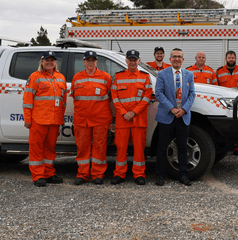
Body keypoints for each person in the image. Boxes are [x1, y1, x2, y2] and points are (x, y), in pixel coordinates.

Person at [23, 51, 67, 187]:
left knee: (50, 149)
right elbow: (27, 101)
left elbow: (63, 102)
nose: (49, 62)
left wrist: (60, 118)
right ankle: (38, 176)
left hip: (54, 121)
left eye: (52, 60)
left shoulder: (61, 78)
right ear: (42, 62)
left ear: (55, 63)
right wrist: (28, 119)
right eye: (47, 60)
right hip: (39, 120)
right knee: (36, 149)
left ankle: (48, 174)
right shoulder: (35, 77)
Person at [111, 49, 153, 185]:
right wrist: (124, 113)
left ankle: (139, 174)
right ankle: (119, 174)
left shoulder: (145, 77)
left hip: (138, 119)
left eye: (135, 60)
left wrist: (133, 112)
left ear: (139, 61)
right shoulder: (118, 77)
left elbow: (147, 98)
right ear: (126, 61)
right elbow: (115, 98)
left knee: (139, 149)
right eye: (130, 60)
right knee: (121, 148)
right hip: (122, 119)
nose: (133, 62)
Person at [71, 51, 113, 185]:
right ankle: (82, 174)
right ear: (84, 62)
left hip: (101, 119)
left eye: (93, 61)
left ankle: (97, 174)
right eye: (88, 60)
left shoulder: (105, 77)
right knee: (82, 148)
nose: (90, 63)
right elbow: (74, 96)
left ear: (96, 62)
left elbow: (111, 97)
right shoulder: (77, 77)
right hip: (81, 120)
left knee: (99, 148)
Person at [155, 48, 195, 186]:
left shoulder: (189, 75)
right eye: (174, 56)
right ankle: (160, 175)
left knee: (182, 147)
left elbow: (192, 94)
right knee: (162, 148)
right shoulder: (162, 74)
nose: (177, 59)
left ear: (183, 60)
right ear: (170, 59)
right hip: (167, 116)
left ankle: (183, 175)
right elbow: (159, 93)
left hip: (183, 117)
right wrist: (172, 109)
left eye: (179, 57)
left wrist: (183, 109)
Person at [217, 50, 238, 156]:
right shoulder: (219, 71)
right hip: (223, 104)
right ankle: (224, 147)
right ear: (226, 59)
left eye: (233, 57)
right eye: (229, 57)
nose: (231, 59)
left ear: (235, 59)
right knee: (224, 125)